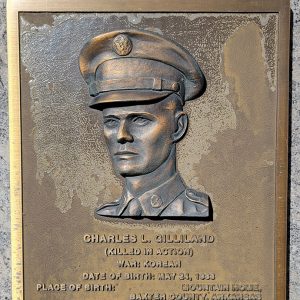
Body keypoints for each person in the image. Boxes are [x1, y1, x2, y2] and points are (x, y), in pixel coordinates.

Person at [79, 30, 212, 219]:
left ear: (178, 127)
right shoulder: (105, 214)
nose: (122, 135)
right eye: (111, 121)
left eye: (140, 120)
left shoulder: (196, 209)